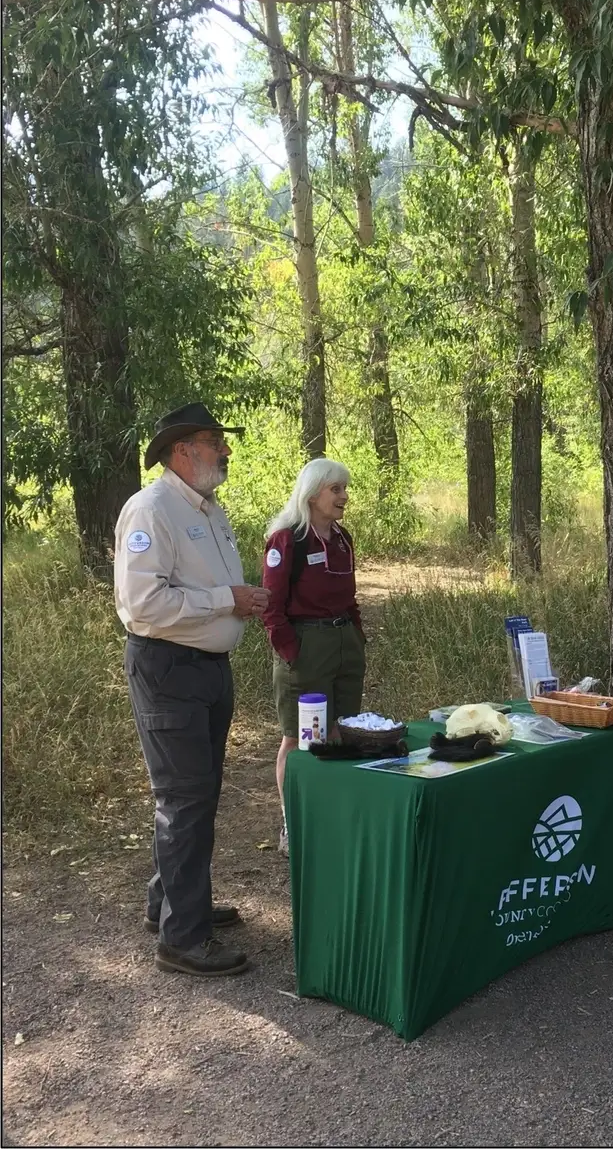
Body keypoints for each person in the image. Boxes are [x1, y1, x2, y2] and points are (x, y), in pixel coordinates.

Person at [114, 402, 270, 978]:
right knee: (182, 800)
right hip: (169, 670)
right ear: (183, 451)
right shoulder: (151, 510)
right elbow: (142, 605)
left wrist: (241, 598)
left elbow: (207, 586)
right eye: (215, 441)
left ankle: (174, 904)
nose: (226, 450)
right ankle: (183, 940)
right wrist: (227, 600)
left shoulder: (206, 508)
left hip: (206, 669)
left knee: (196, 795)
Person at [262, 459, 366, 856]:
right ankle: (294, 822)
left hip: (343, 642)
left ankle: (330, 815)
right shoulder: (288, 539)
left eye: (344, 488)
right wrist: (291, 651)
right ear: (312, 493)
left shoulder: (342, 539)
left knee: (340, 729)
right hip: (306, 646)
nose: (343, 497)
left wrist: (355, 636)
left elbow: (350, 595)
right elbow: (272, 606)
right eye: (335, 489)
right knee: (299, 737)